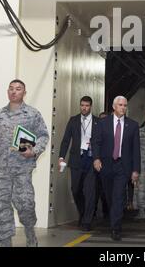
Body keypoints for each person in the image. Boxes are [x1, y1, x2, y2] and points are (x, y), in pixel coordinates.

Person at [0, 79, 49, 247]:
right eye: (11, 89)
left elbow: (43, 136)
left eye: (18, 89)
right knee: (0, 207)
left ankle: (30, 234)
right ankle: (5, 243)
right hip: (1, 171)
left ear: (24, 93)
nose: (13, 92)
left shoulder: (32, 114)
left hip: (22, 171)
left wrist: (34, 150)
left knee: (25, 205)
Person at [93, 96, 140, 241]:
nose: (123, 108)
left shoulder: (132, 125)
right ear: (114, 107)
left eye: (125, 105)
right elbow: (96, 142)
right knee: (110, 197)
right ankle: (114, 219)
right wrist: (96, 158)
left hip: (122, 166)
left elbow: (135, 150)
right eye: (120, 105)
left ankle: (115, 228)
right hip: (106, 165)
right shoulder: (102, 123)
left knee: (118, 197)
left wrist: (135, 170)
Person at [58, 96, 99, 231]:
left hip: (91, 159)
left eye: (87, 105)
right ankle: (83, 213)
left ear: (91, 106)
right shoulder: (73, 120)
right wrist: (61, 157)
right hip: (77, 159)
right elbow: (65, 140)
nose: (84, 108)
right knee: (75, 190)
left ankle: (87, 221)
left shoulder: (98, 122)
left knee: (90, 192)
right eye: (82, 105)